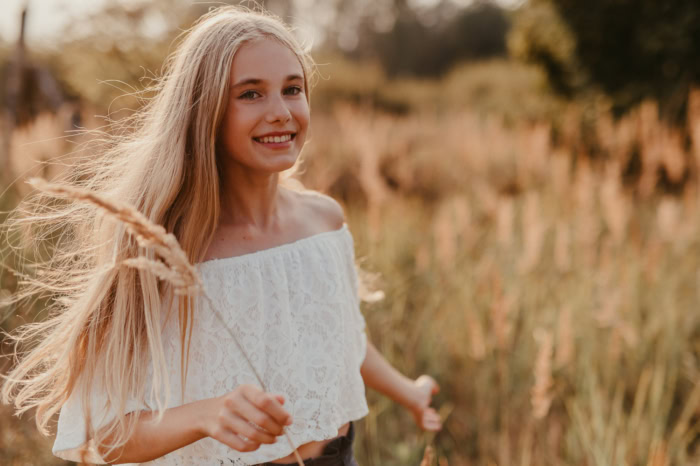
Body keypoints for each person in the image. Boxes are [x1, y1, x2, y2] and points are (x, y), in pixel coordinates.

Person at [1, 6, 442, 465]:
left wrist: (409, 392)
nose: (280, 112)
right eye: (250, 94)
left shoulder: (324, 221)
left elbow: (342, 337)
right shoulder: (162, 250)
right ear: (204, 109)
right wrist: (204, 416)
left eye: (292, 89)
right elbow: (99, 435)